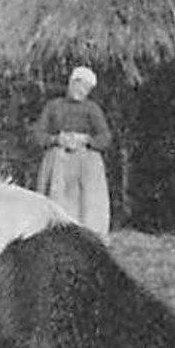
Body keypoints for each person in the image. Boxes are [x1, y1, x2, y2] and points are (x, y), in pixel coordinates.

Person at [31, 66, 112, 237]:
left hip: (86, 164)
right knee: (57, 204)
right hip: (58, 164)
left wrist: (86, 140)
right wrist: (56, 139)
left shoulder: (92, 109)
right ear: (71, 83)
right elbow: (38, 134)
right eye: (79, 85)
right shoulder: (53, 106)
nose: (81, 91)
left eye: (86, 89)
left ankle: (89, 239)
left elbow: (105, 137)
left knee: (87, 205)